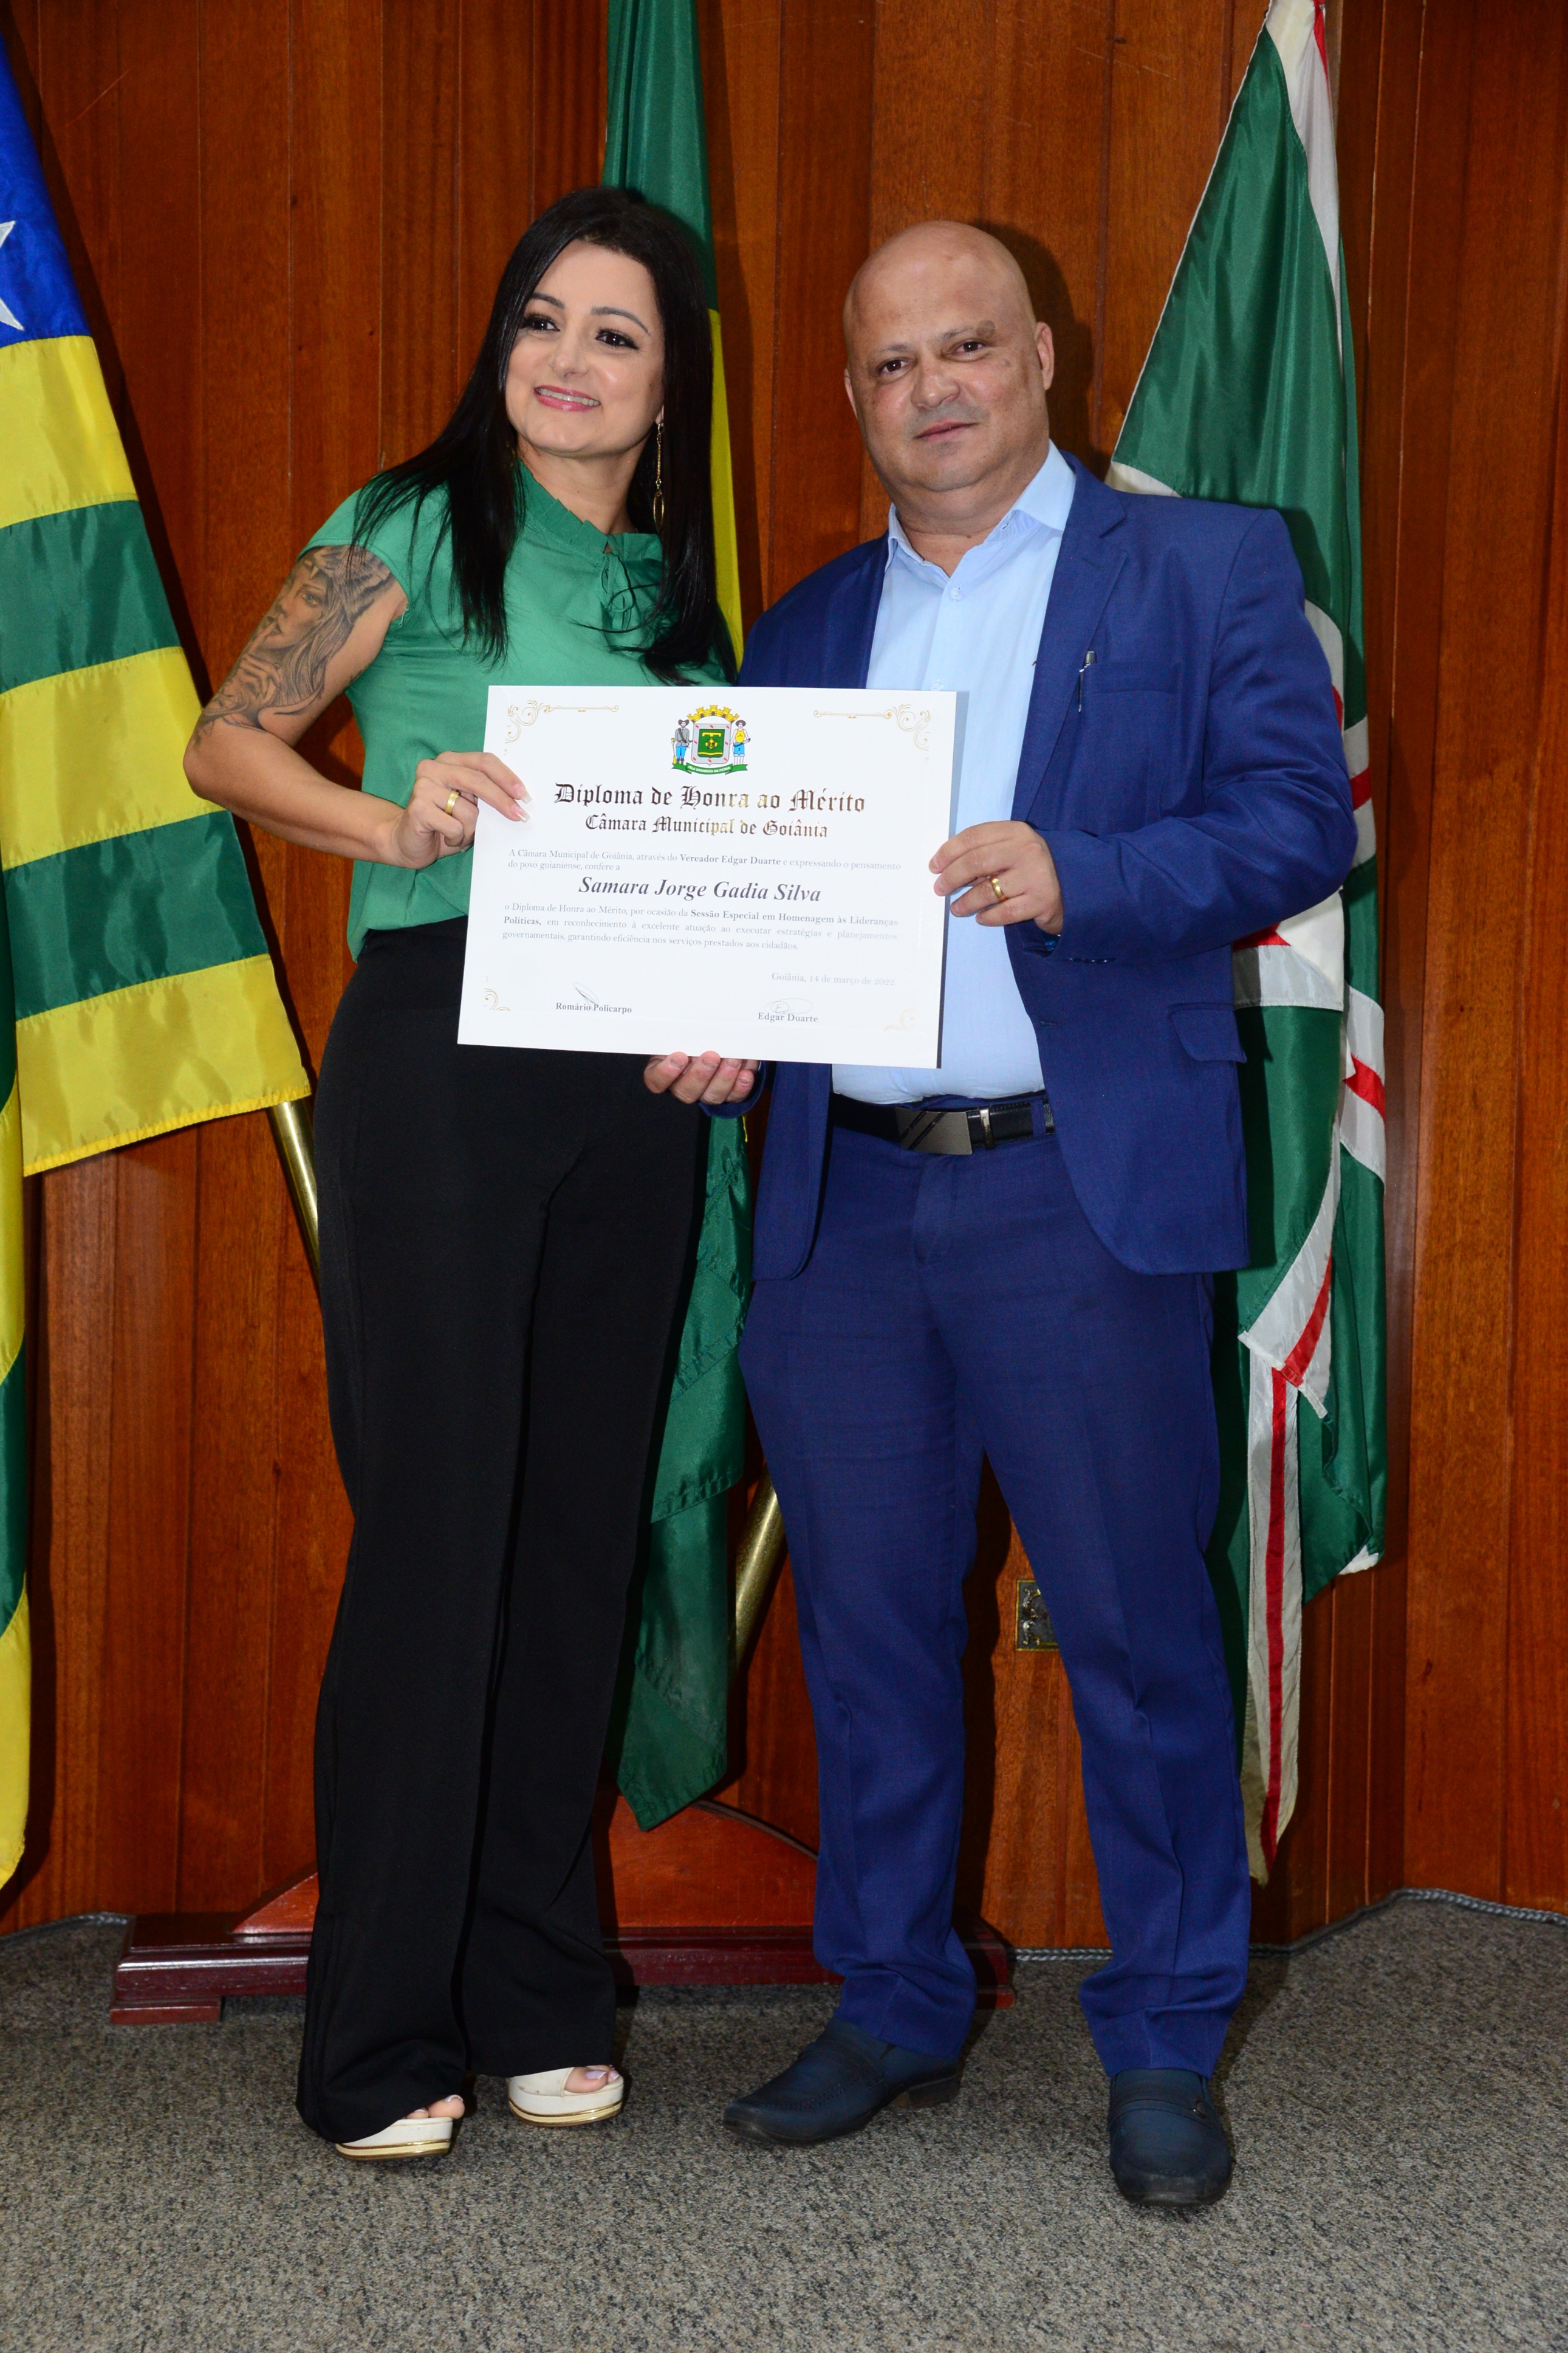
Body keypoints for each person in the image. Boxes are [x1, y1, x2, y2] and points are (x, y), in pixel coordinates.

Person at [649, 221, 1355, 2205]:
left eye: (964, 347)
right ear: (853, 399)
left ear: (1043, 354)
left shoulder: (1206, 566)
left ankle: (1167, 2032)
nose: (930, 390)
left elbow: (1298, 822)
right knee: (872, 1632)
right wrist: (721, 1021)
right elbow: (752, 900)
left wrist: (1084, 873)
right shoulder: (800, 628)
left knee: (1134, 1631)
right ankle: (894, 1997)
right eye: (890, 366)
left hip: (1077, 1189)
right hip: (845, 1206)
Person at [186, 187, 751, 2161]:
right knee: (439, 1536)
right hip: (440, 1055)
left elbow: (727, 864)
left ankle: (539, 1990)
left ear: (670, 383)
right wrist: (388, 819)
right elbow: (224, 743)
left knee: (577, 1537)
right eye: (542, 319)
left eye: (615, 333)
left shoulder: (685, 599)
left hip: (635, 1096)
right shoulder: (406, 523)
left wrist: (732, 1020)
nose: (567, 360)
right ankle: (374, 2035)